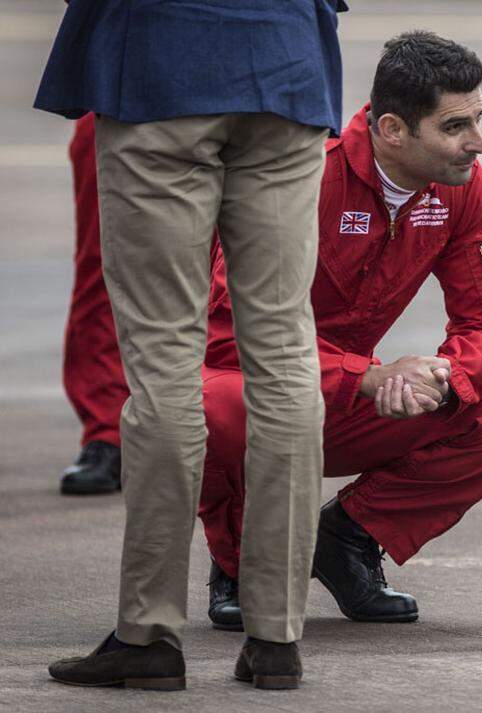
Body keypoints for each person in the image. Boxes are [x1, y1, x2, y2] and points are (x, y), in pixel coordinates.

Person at [197, 31, 482, 632]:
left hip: (354, 402)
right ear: (393, 129)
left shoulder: (461, 189)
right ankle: (238, 563)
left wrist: (443, 379)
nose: (478, 144)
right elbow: (231, 338)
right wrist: (367, 376)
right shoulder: (302, 177)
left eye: (478, 119)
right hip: (267, 393)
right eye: (454, 127)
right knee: (211, 405)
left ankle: (349, 535)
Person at [36, 0, 346, 691]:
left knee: (164, 362)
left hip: (158, 67)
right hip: (286, 67)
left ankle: (149, 630)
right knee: (286, 350)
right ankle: (277, 636)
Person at [58, 113, 126, 495]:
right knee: (105, 263)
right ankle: (107, 430)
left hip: (250, 90)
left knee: (249, 271)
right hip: (125, 91)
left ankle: (229, 428)